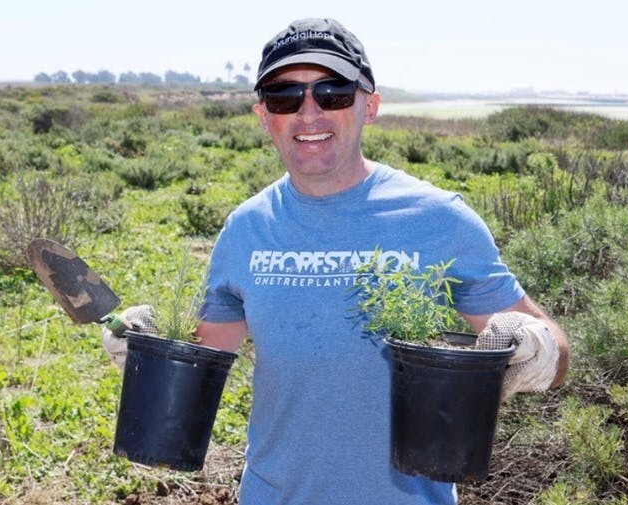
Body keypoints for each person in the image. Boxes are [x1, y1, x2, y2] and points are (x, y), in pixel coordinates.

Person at [103, 17, 569, 505]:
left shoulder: (439, 218)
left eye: (333, 92)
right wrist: (148, 347)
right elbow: (207, 349)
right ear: (264, 116)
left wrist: (538, 349)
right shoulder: (246, 228)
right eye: (285, 97)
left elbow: (554, 348)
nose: (309, 113)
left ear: (370, 105)